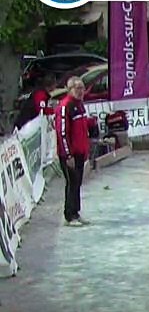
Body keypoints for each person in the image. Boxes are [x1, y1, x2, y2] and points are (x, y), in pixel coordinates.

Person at [54, 76, 91, 227]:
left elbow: (82, 129)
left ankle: (76, 212)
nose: (81, 91)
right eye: (78, 88)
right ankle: (69, 215)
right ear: (70, 89)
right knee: (72, 182)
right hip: (69, 154)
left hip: (80, 152)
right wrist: (68, 154)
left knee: (78, 182)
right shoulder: (65, 106)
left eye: (82, 88)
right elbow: (62, 133)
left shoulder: (80, 105)